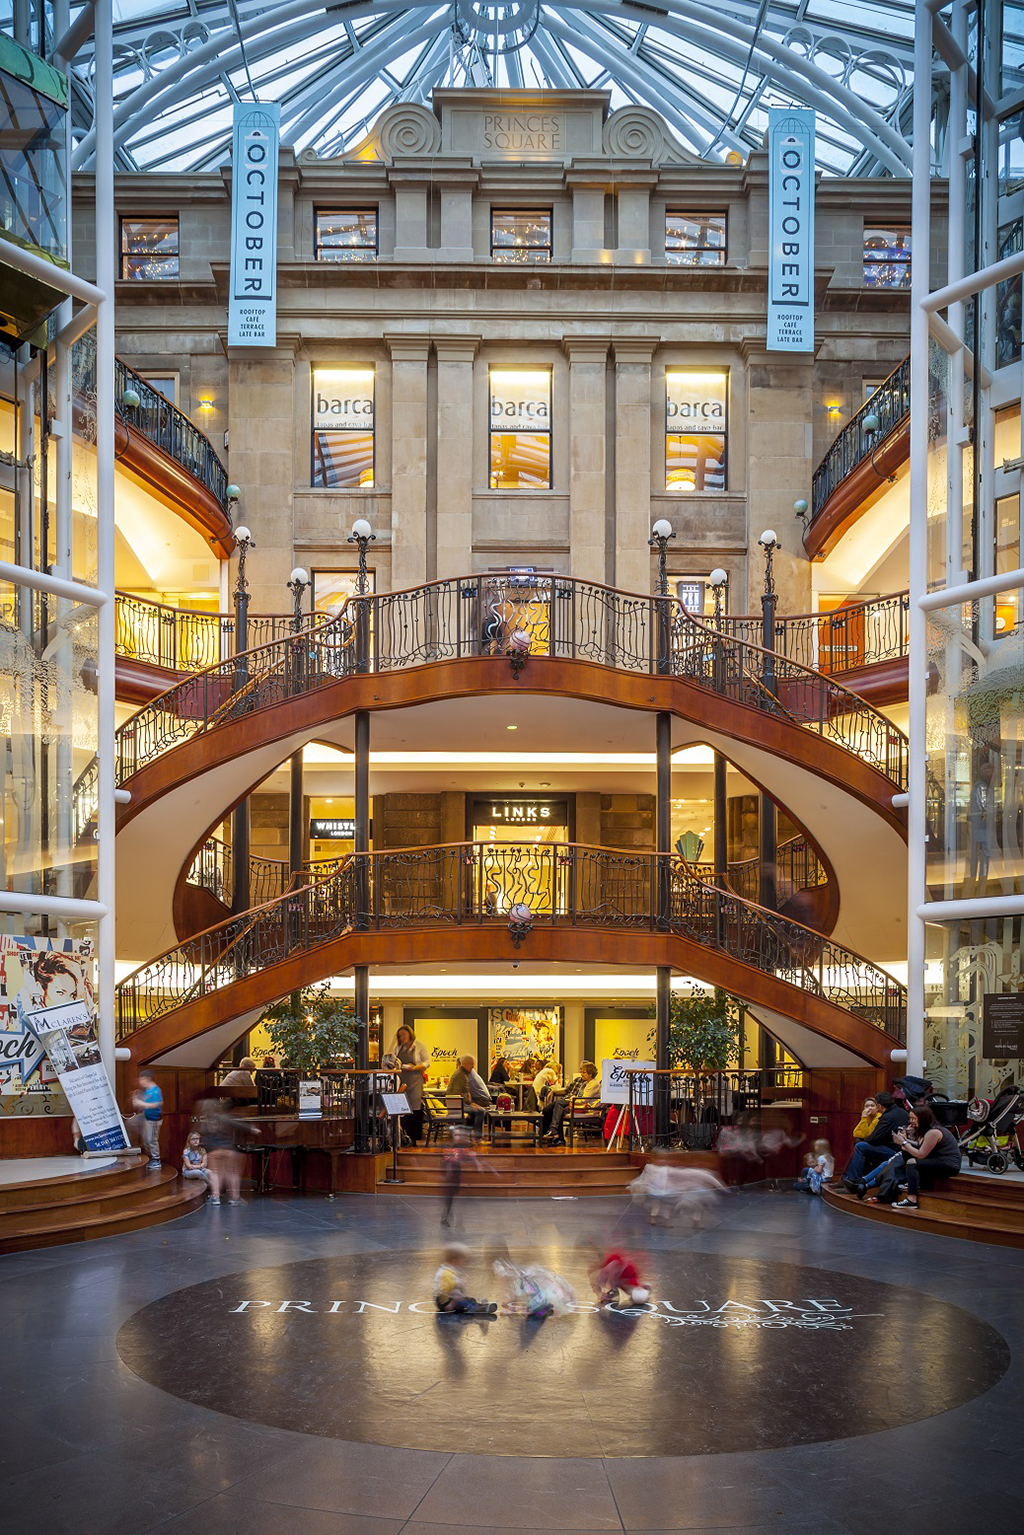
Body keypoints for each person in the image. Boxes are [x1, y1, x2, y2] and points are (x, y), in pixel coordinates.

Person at [887, 1105, 963, 1208]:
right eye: (910, 1118)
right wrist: (904, 1140)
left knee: (912, 1161)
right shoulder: (926, 1130)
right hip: (936, 1159)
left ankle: (912, 1199)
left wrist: (904, 1142)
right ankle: (916, 1183)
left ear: (922, 1118)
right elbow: (918, 1146)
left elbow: (921, 1154)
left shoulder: (934, 1132)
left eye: (914, 1118)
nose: (911, 1121)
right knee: (905, 1151)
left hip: (949, 1165)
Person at [841, 1090, 909, 1195]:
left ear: (880, 1106)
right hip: (901, 1149)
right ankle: (847, 1179)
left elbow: (872, 1138)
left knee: (860, 1146)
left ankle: (853, 1180)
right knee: (860, 1145)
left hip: (895, 1151)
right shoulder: (903, 1112)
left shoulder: (886, 1116)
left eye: (874, 1105)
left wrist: (864, 1138)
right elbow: (857, 1133)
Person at [197, 1095, 245, 1205]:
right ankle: (235, 1197)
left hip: (213, 1151)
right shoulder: (224, 1118)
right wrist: (254, 1129)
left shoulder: (205, 1122)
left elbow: (200, 1135)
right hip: (229, 1150)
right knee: (232, 1173)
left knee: (215, 1173)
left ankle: (215, 1197)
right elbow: (239, 1125)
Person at [542, 1060, 600, 1144]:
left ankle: (554, 1131)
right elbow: (568, 1091)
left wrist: (571, 1099)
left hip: (584, 1107)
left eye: (583, 1072)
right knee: (558, 1109)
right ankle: (557, 1136)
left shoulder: (593, 1084)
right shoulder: (586, 1083)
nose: (581, 1074)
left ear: (590, 1074)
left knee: (558, 1104)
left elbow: (583, 1100)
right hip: (575, 1103)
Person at [391, 1024, 430, 1145]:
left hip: (415, 1080)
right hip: (401, 1080)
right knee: (403, 1108)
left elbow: (427, 1062)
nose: (402, 1037)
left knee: (415, 1107)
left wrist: (415, 1067)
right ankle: (403, 1136)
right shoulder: (398, 1047)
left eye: (404, 1034)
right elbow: (393, 1061)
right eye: (400, 1035)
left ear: (410, 1034)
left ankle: (415, 1137)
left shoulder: (420, 1046)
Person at [434, 1242, 497, 1316]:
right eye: (464, 1260)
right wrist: (451, 1304)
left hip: (448, 1299)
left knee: (470, 1299)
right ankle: (479, 1309)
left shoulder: (450, 1270)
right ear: (455, 1261)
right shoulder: (447, 1274)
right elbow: (445, 1291)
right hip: (445, 1302)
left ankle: (479, 1305)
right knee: (464, 1301)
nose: (466, 1263)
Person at [446, 1055, 492, 1134]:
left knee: (478, 1110)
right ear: (465, 1064)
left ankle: (468, 1133)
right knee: (481, 1111)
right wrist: (470, 1103)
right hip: (457, 1107)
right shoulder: (461, 1075)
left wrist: (470, 1103)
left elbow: (460, 1094)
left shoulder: (461, 1073)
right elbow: (457, 1094)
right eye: (471, 1064)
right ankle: (478, 1135)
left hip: (457, 1105)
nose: (472, 1066)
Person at [132, 1069, 163, 1170]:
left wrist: (141, 1103)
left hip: (153, 1119)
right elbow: (144, 1104)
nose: (141, 1082)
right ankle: (150, 1158)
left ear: (148, 1079)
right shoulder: (147, 1091)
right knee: (145, 1140)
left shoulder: (156, 1090)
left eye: (142, 1079)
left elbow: (156, 1104)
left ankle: (156, 1159)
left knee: (151, 1140)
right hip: (146, 1118)